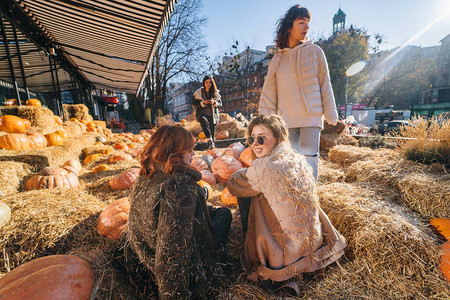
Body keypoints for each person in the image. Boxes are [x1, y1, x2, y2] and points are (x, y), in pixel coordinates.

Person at [228, 114, 346, 295]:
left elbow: (234, 184)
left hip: (287, 254)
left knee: (251, 195)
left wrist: (247, 171)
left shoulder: (266, 167)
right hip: (312, 245)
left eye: (261, 138)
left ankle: (261, 258)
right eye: (252, 138)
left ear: (278, 138)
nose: (255, 144)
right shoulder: (298, 159)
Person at [116, 125, 232, 299]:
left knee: (220, 212)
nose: (193, 154)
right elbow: (173, 251)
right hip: (177, 261)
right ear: (175, 153)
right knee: (224, 215)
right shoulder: (180, 186)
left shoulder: (146, 174)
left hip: (147, 253)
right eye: (190, 150)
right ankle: (216, 255)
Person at [258, 4, 339, 182]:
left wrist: (330, 112)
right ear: (289, 26)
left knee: (310, 161)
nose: (306, 27)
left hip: (311, 117)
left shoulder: (316, 52)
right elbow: (270, 93)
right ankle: (295, 204)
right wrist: (264, 121)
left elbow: (325, 83)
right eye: (301, 22)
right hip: (287, 121)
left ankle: (310, 200)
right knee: (291, 163)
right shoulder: (277, 59)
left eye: (308, 22)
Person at [193, 75, 222, 149]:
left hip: (213, 115)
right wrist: (203, 102)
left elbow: (220, 104)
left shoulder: (215, 93)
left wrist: (214, 102)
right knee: (204, 121)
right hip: (202, 114)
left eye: (210, 82)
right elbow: (194, 104)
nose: (208, 84)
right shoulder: (199, 93)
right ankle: (210, 141)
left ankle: (211, 148)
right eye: (206, 82)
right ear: (204, 83)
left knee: (212, 135)